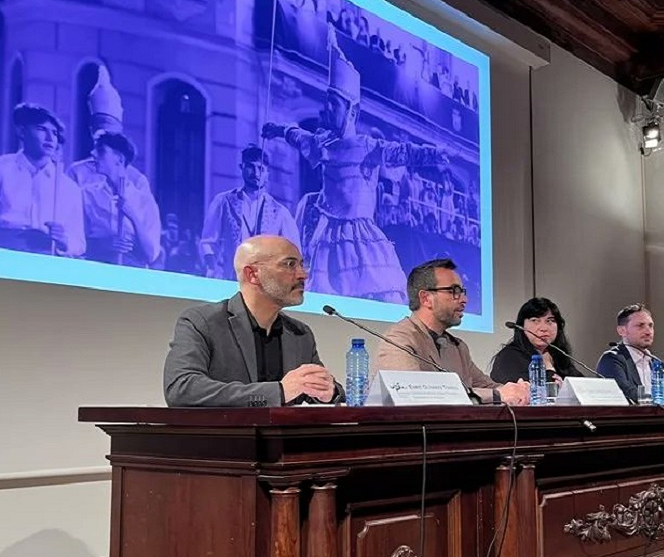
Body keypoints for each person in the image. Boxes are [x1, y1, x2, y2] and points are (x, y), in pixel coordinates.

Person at [261, 25, 450, 304]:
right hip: (326, 234)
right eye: (327, 103)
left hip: (360, 235)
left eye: (334, 104)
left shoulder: (367, 146)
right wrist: (276, 129)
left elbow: (404, 152)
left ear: (352, 110)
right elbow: (297, 135)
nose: (327, 109)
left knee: (379, 292)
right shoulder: (323, 143)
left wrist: (438, 154)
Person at [163, 235, 344, 407]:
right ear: (253, 274)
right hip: (227, 437)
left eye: (302, 265)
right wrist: (278, 392)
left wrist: (330, 393)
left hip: (285, 439)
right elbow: (181, 388)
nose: (303, 275)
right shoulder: (202, 322)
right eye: (290, 264)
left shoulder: (300, 333)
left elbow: (324, 391)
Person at [375, 258, 530, 405]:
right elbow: (413, 394)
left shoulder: (458, 347)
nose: (464, 300)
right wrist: (498, 395)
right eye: (454, 291)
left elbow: (488, 386)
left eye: (463, 291)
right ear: (426, 298)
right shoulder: (398, 340)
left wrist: (519, 390)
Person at [199, 144, 300, 279]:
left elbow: (293, 252)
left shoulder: (280, 212)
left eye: (261, 168)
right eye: (251, 167)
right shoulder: (224, 201)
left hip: (265, 287)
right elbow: (208, 242)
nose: (256, 173)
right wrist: (212, 268)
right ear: (242, 168)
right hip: (230, 279)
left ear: (267, 173)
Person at [0, 103, 85, 257]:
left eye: (54, 133)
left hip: (45, 261)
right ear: (21, 131)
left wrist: (64, 241)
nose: (50, 138)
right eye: (41, 129)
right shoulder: (3, 169)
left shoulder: (69, 187)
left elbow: (79, 243)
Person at [67, 131, 162, 267]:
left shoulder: (144, 201)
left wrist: (132, 215)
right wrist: (103, 244)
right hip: (95, 269)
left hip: (130, 275)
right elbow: (76, 240)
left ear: (119, 159)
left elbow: (151, 254)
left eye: (101, 151)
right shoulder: (87, 195)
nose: (93, 154)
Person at [596, 303, 664, 403]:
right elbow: (628, 393)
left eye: (650, 325)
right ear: (622, 331)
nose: (648, 331)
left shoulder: (653, 361)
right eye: (640, 326)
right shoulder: (612, 359)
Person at [490, 297, 583, 384]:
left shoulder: (556, 355)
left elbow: (582, 387)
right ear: (521, 326)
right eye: (535, 320)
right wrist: (548, 367)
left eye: (550, 321)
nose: (543, 328)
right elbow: (537, 393)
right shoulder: (509, 357)